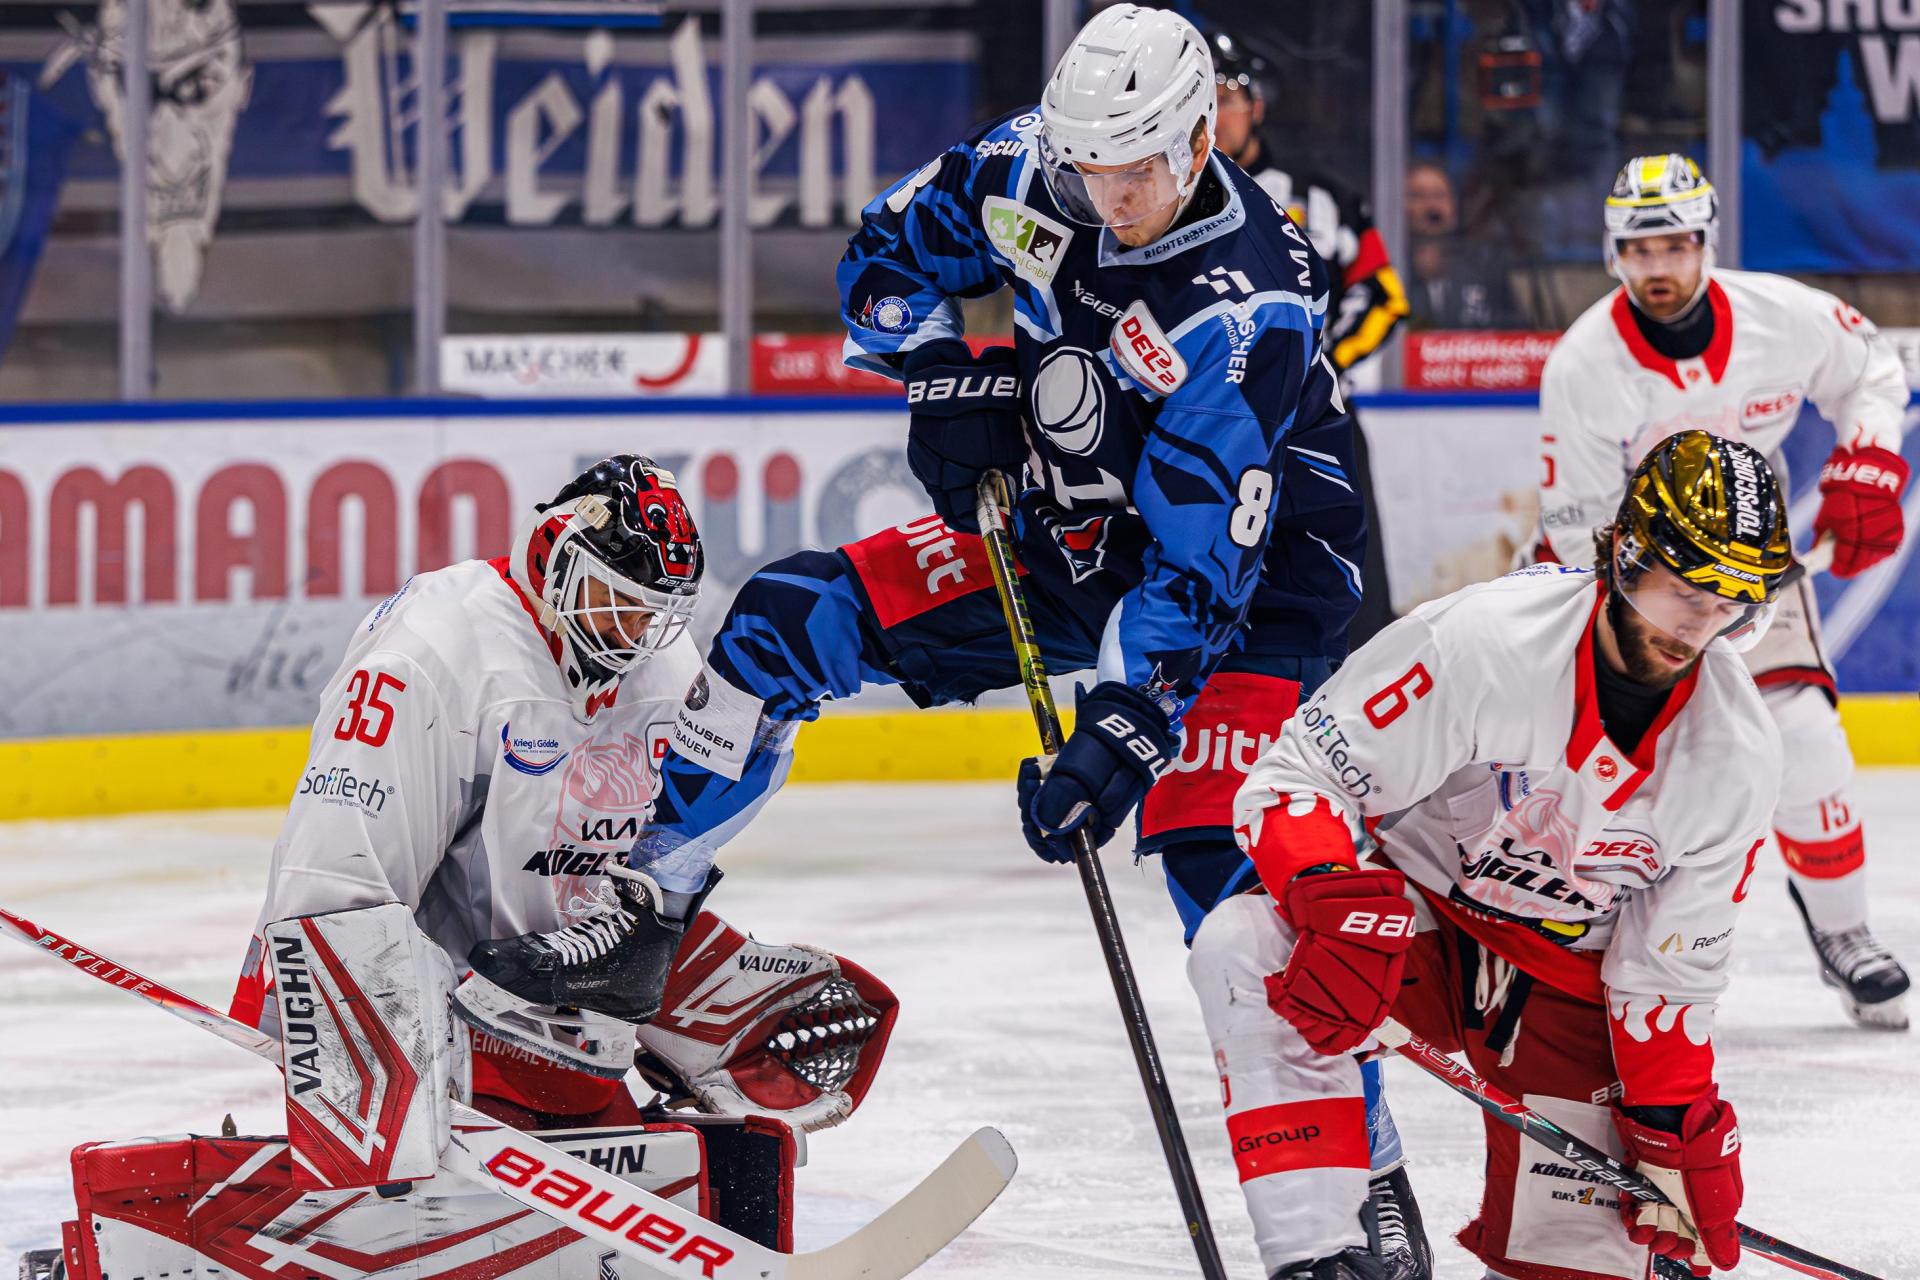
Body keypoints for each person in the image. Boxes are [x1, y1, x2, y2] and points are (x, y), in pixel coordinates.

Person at [470, 5, 1422, 1273]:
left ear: (1199, 139)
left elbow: (1195, 565)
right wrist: (941, 376)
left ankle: (1365, 1189)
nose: (1108, 192)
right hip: (1060, 529)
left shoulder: (1240, 306)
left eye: (1136, 166)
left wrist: (1122, 732)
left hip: (1252, 580)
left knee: (1213, 855)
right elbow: (881, 256)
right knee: (783, 623)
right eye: (1091, 163)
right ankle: (643, 916)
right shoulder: (1036, 166)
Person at [220, 458, 899, 1256]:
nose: (635, 635)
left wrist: (680, 998)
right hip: (446, 1055)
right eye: (620, 605)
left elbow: (646, 873)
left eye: (654, 617)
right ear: (557, 550)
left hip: (566, 1044)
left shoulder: (661, 670)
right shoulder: (433, 652)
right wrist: (365, 1120)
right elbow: (337, 878)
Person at [1214, 430, 1788, 1279]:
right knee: (1244, 947)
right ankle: (1322, 1251)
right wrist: (1332, 895)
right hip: (1419, 933)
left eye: (1732, 603)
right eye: (1687, 587)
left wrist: (1672, 1132)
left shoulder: (1737, 752)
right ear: (1627, 555)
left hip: (1567, 983)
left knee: (1579, 1261)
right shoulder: (1483, 642)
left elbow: (1666, 979)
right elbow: (1296, 774)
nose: (1702, 624)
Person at [1528, 153, 1912, 1029]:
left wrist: (1871, 457)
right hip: (1635, 585)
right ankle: (1567, 936)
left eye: (1673, 246)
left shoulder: (1782, 315)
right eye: (1637, 249)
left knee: (1809, 744)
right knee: (1597, 774)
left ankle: (1846, 932)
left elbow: (1871, 371)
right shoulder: (1584, 365)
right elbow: (1580, 523)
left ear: (1706, 242)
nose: (1656, 269)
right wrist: (1642, 621)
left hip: (1754, 576)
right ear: (1612, 254)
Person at [1208, 27, 1409, 650]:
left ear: (1256, 107)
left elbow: (1383, 296)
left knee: (1349, 588)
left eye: (1226, 99)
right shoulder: (1152, 202)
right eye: (1200, 104)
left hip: (1315, 423)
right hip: (1202, 422)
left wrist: (1318, 368)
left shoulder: (1319, 196)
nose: (1214, 119)